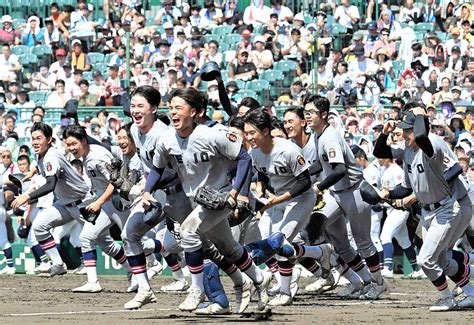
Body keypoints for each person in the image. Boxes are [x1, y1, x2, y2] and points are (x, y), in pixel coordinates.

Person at [143, 87, 272, 312]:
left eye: (178, 108)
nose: (173, 112)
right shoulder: (166, 140)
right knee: (228, 248)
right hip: (198, 200)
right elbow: (157, 168)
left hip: (220, 196)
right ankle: (260, 279)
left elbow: (244, 158)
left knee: (188, 231)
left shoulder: (212, 134)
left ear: (194, 112)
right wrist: (147, 191)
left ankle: (196, 289)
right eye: (171, 107)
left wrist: (235, 193)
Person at [374, 108, 474, 311]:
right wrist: (389, 194)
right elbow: (381, 154)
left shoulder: (432, 143)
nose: (403, 134)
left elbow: (455, 168)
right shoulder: (409, 151)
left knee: (426, 259)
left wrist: (421, 116)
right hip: (429, 211)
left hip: (449, 206)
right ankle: (471, 292)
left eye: (408, 130)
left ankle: (447, 298)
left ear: (419, 128)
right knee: (442, 260)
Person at [244, 108, 332, 306]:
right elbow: (263, 173)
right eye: (247, 132)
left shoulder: (287, 150)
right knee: (273, 242)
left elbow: (304, 182)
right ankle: (320, 252)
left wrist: (277, 199)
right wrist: (261, 190)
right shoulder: (255, 151)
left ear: (265, 131)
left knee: (279, 242)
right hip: (278, 199)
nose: (249, 137)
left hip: (301, 198)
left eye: (252, 133)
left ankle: (286, 292)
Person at [303, 95, 387, 300]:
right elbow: (319, 165)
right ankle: (360, 281)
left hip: (353, 192)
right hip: (336, 193)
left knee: (364, 242)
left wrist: (319, 186)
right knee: (315, 228)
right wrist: (300, 176)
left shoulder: (329, 136)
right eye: (305, 112)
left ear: (324, 114)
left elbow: (339, 170)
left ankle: (378, 283)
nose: (307, 116)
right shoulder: (317, 133)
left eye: (311, 112)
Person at [11, 122, 89, 277]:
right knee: (39, 226)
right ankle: (58, 264)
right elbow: (41, 163)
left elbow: (50, 184)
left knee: (104, 241)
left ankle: (133, 269)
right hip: (65, 203)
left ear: (49, 139)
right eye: (33, 138)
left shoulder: (51, 156)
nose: (34, 142)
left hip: (83, 202)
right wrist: (33, 170)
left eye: (38, 138)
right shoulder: (42, 154)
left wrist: (27, 196)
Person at [62, 125, 132, 293]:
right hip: (105, 202)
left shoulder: (97, 157)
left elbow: (116, 182)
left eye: (73, 144)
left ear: (84, 141)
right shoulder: (87, 155)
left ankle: (169, 265)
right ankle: (93, 282)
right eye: (68, 144)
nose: (71, 148)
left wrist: (99, 202)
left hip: (118, 201)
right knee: (86, 237)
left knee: (133, 239)